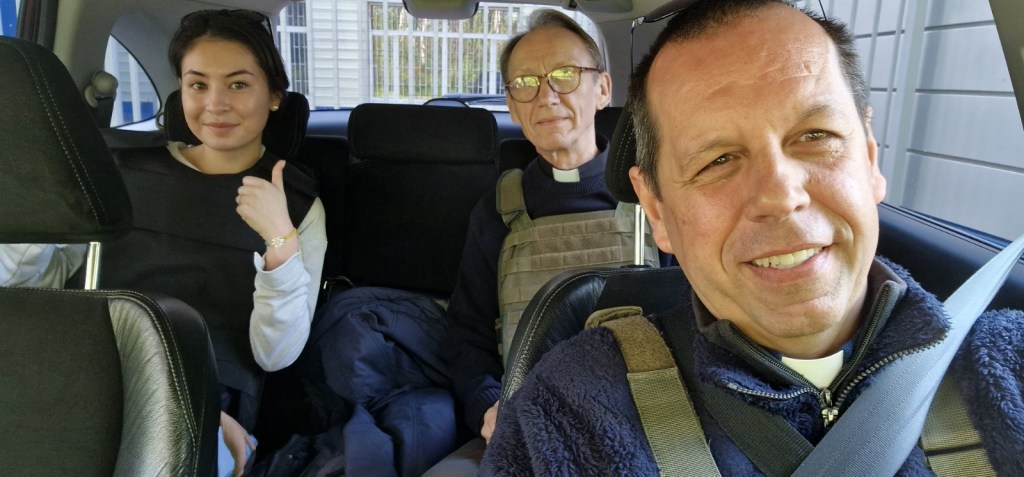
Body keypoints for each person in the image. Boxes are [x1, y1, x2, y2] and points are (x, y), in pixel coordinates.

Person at [481, 0, 1024, 475]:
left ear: (869, 156)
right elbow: (468, 325)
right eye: (717, 161)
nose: (779, 195)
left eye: (816, 136)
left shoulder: (1007, 367)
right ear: (658, 212)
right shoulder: (567, 416)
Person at [1, 9, 327, 477]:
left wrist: (280, 240)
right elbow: (30, 287)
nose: (215, 104)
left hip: (210, 394)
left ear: (274, 95)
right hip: (79, 371)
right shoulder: (117, 167)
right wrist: (39, 206)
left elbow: (276, 355)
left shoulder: (297, 201)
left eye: (238, 84)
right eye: (197, 84)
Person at [443, 9, 663, 446]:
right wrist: (489, 404)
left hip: (647, 413)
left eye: (565, 74)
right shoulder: (498, 212)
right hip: (531, 417)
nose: (545, 96)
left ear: (602, 89)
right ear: (511, 105)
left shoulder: (651, 199)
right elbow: (466, 333)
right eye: (525, 83)